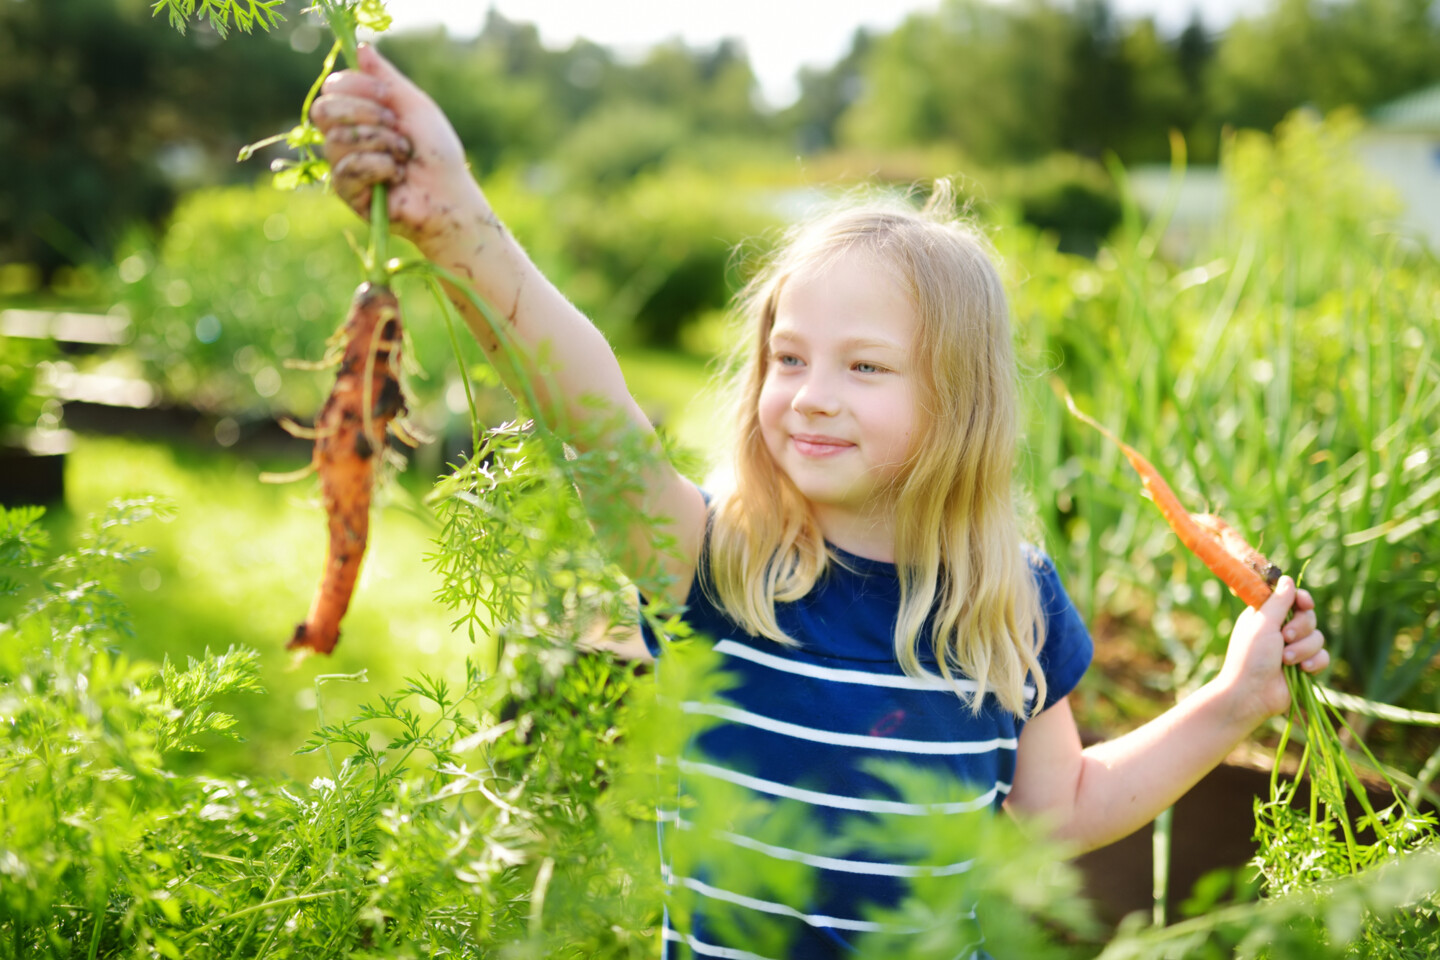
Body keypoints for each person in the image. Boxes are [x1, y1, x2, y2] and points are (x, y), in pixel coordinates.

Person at [311, 44, 1329, 960]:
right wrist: (458, 224)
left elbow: (1057, 810)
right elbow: (595, 421)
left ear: (958, 403)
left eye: (865, 366)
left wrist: (1233, 701)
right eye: (788, 358)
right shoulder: (713, 560)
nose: (811, 395)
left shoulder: (1010, 600)